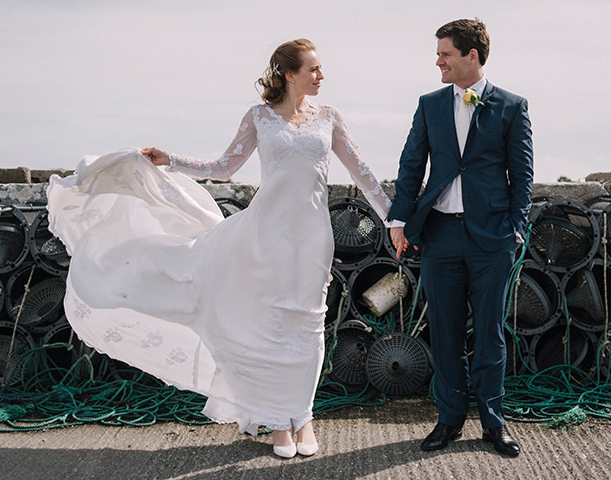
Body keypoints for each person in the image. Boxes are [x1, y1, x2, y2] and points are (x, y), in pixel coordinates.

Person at [46, 38, 392, 459]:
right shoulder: (259, 117)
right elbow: (224, 167)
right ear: (289, 73)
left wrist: (395, 219)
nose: (322, 76)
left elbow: (364, 172)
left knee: (309, 323)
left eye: (321, 69)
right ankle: (280, 421)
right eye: (314, 69)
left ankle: (304, 415)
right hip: (265, 233)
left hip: (313, 235)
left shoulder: (330, 118)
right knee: (272, 323)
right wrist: (169, 159)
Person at [387, 18, 533, 457]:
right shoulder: (430, 104)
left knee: (490, 334)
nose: (438, 61)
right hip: (441, 235)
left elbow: (522, 175)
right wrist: (399, 219)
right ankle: (448, 420)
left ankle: (493, 424)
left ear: (472, 56)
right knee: (445, 333)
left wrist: (517, 227)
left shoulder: (511, 105)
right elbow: (412, 164)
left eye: (445, 54)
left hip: (493, 238)